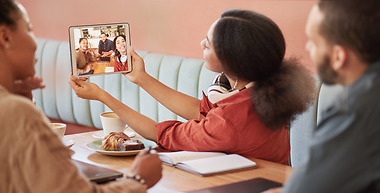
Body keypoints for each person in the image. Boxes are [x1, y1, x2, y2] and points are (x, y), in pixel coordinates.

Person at [0, 0, 162, 193]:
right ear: (5, 37)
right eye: (29, 29)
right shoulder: (15, 114)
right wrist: (137, 180)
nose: (34, 42)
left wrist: (15, 98)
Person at [70, 9, 316, 165]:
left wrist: (102, 96)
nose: (201, 43)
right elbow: (204, 112)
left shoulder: (232, 118)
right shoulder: (256, 91)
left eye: (208, 44)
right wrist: (141, 78)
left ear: (231, 59)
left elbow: (161, 133)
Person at [251, 0, 380, 193]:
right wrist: (309, 192)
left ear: (338, 56)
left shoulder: (358, 109)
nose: (308, 48)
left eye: (313, 40)